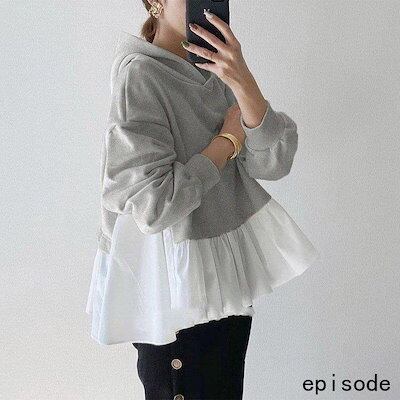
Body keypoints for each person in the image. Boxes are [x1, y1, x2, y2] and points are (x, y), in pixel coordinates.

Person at [86, 1, 320, 398]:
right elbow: (153, 205)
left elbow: (274, 162)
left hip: (222, 291)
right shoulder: (141, 75)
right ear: (156, 3)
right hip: (174, 301)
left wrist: (243, 80)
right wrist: (226, 143)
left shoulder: (214, 69)